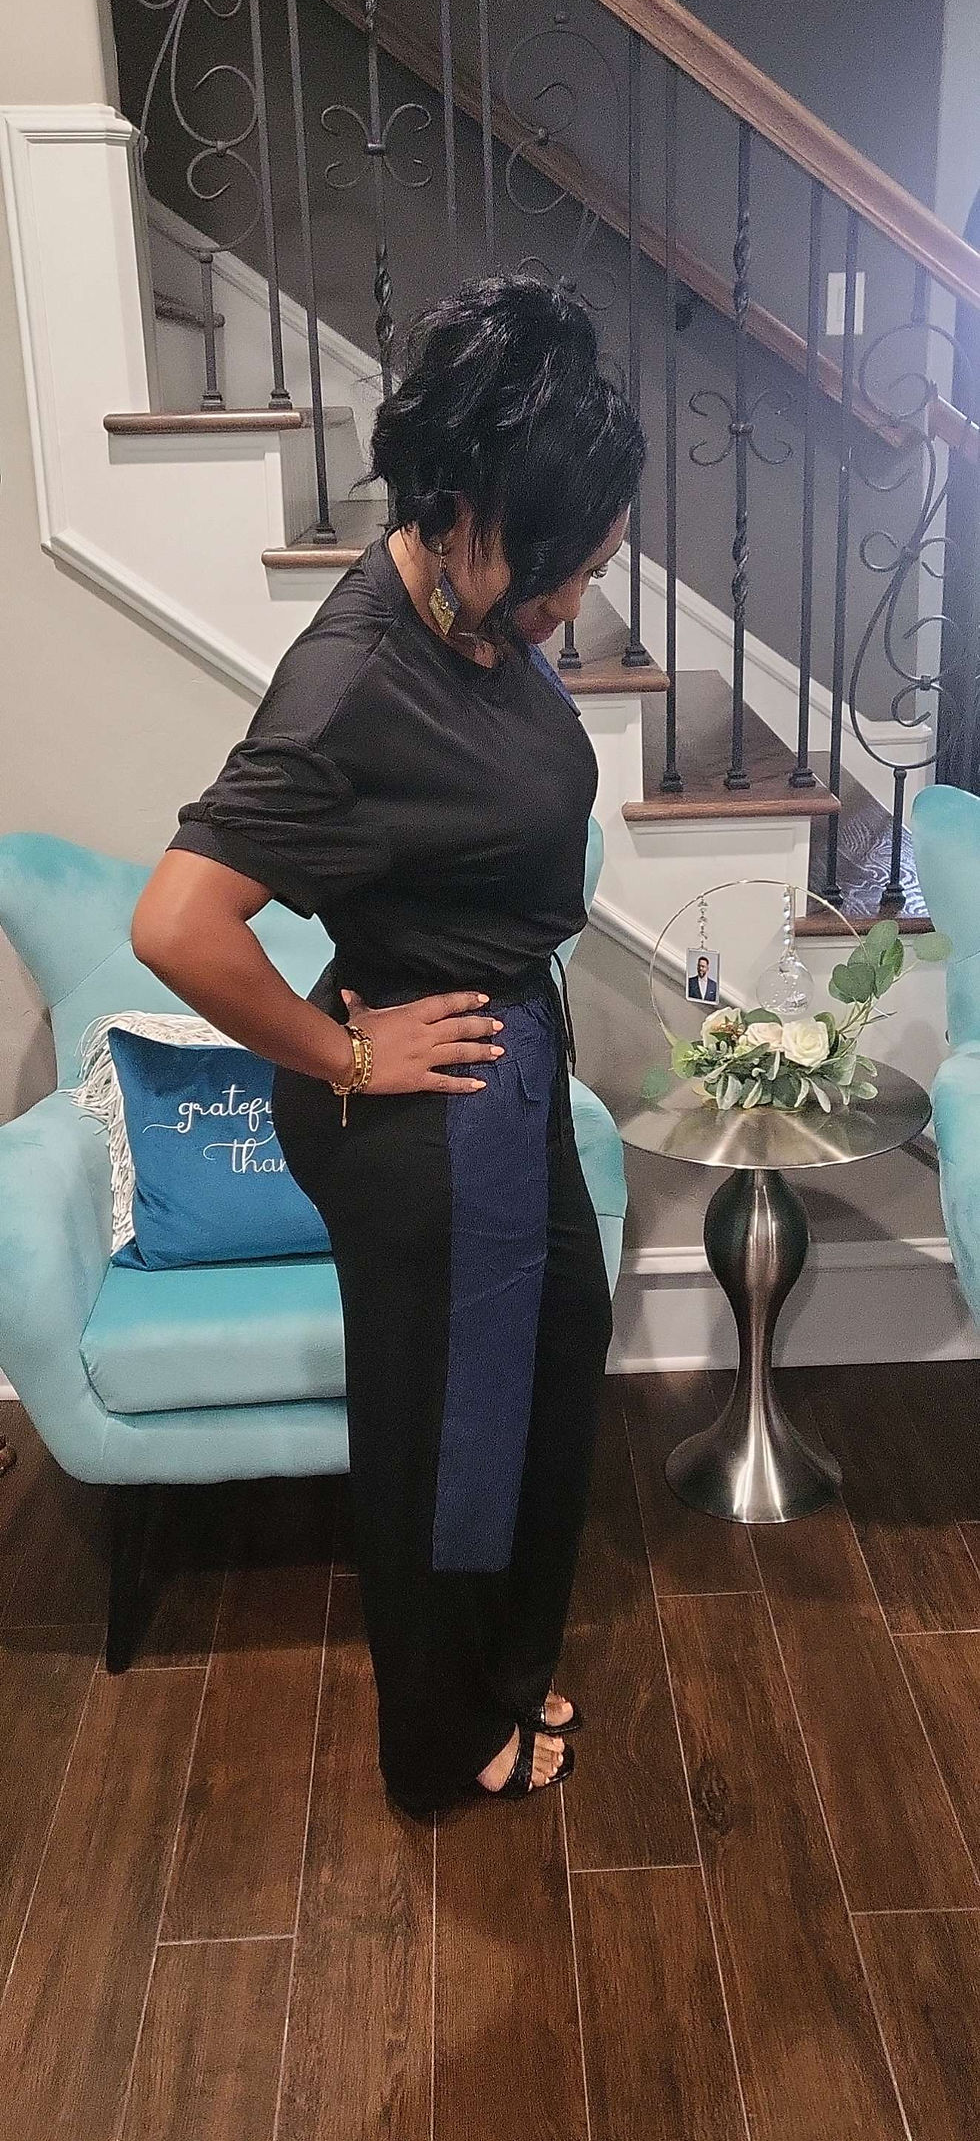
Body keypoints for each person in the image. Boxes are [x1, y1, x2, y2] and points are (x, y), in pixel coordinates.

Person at [130, 274, 646, 1817]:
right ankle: (439, 1744)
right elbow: (179, 925)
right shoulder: (349, 686)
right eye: (564, 573)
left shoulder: (468, 611)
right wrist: (347, 1059)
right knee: (446, 1451)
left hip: (510, 1070)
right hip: (427, 1127)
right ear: (472, 513)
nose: (576, 603)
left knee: (548, 1376)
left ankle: (504, 1665)